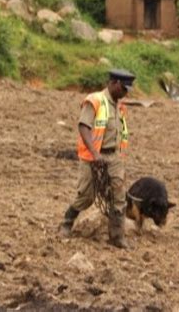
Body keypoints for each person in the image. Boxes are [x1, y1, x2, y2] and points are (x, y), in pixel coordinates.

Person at [59, 69, 135, 249]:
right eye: (124, 89)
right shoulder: (95, 101)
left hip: (114, 156)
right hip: (93, 156)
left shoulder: (119, 106)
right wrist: (95, 154)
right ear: (114, 83)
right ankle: (67, 221)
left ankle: (117, 237)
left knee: (119, 195)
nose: (126, 93)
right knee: (87, 195)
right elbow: (83, 126)